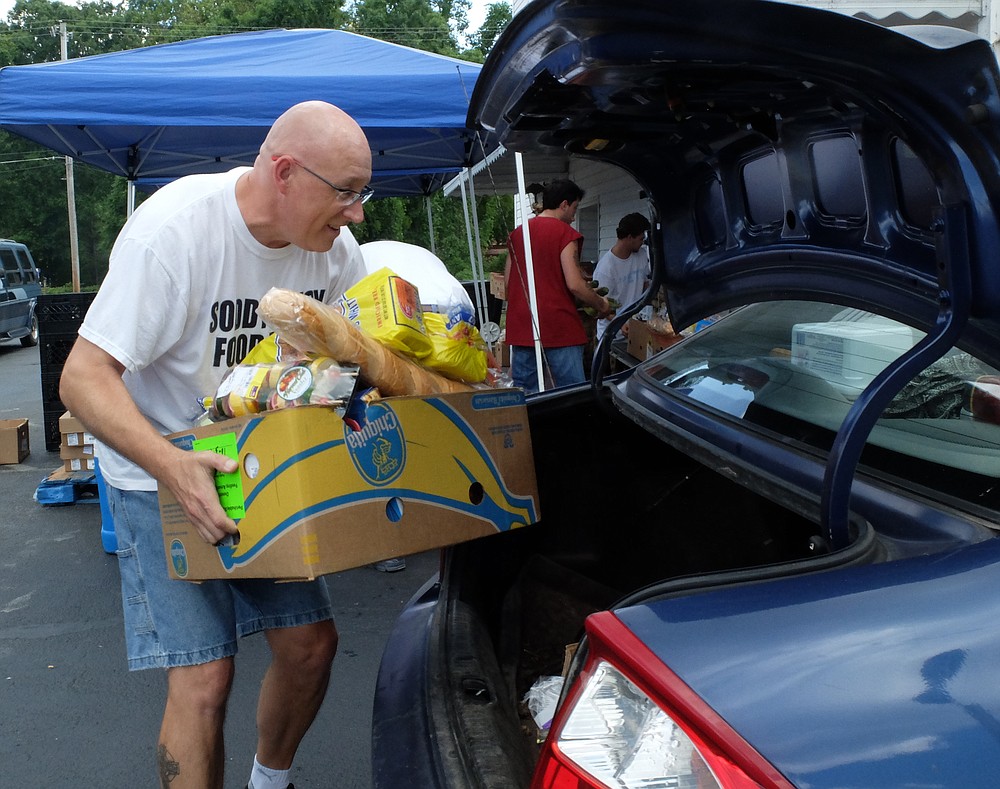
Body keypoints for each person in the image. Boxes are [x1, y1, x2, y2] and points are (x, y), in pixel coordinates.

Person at [59, 100, 372, 789]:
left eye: (362, 192)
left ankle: (270, 780)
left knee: (311, 647)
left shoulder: (336, 256)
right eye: (345, 191)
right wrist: (173, 465)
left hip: (256, 466)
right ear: (284, 171)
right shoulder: (176, 231)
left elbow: (331, 374)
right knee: (205, 675)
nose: (357, 214)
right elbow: (81, 378)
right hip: (157, 469)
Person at [504, 180, 612, 392]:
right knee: (571, 393)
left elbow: (508, 283)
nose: (573, 216)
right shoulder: (565, 234)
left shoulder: (518, 234)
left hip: (523, 324)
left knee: (525, 395)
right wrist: (601, 305)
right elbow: (575, 284)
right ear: (564, 204)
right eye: (574, 208)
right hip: (559, 325)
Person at [592, 212, 651, 342]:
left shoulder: (641, 255)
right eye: (641, 239)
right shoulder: (606, 268)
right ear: (630, 237)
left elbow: (646, 285)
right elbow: (601, 304)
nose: (642, 243)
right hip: (612, 337)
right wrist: (620, 323)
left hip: (636, 330)